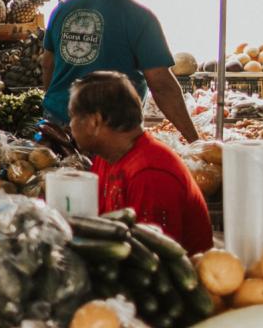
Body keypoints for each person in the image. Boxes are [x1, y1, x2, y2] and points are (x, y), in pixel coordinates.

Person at [69, 71, 213, 254]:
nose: (70, 124)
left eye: (73, 116)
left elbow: (153, 262)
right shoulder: (107, 157)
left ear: (94, 121)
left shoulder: (151, 175)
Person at [41, 0, 199, 143]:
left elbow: (47, 64)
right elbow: (161, 85)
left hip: (56, 124)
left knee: (59, 169)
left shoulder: (62, 9)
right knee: (101, 171)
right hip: (108, 131)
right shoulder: (139, 17)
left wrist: (56, 104)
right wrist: (195, 141)